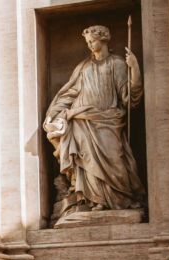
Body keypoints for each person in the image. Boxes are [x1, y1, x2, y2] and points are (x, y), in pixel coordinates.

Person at [44, 25, 145, 212]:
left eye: (93, 41)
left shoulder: (117, 64)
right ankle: (95, 200)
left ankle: (120, 198)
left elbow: (129, 97)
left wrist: (135, 69)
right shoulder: (83, 67)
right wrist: (54, 114)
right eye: (88, 42)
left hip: (109, 119)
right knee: (87, 160)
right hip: (82, 119)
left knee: (116, 159)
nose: (90, 45)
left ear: (104, 39)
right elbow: (69, 93)